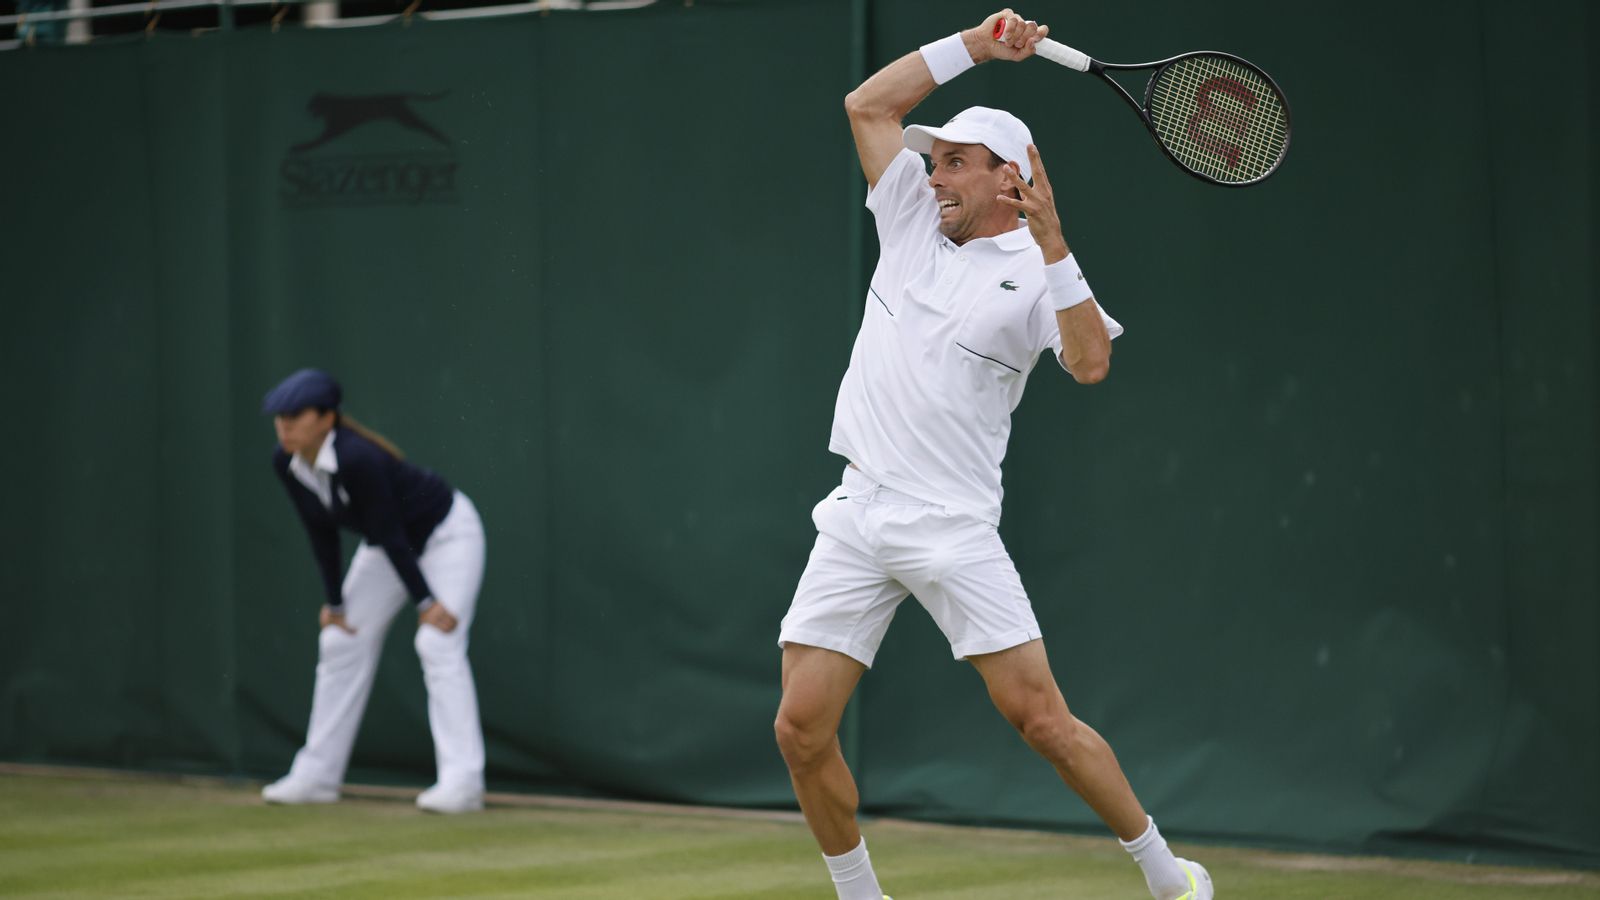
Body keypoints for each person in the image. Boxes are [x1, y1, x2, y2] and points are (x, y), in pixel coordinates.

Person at [773, 10, 1213, 900]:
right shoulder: (909, 218)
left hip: (952, 527)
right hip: (858, 512)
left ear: (1009, 176)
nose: (932, 175)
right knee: (800, 729)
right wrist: (976, 46)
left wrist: (1055, 246)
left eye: (954, 162)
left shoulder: (1039, 274)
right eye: (932, 161)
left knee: (1041, 722)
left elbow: (1090, 363)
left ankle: (1169, 877)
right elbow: (866, 106)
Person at [259, 368, 488, 815]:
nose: (284, 426)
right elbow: (320, 531)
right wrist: (335, 604)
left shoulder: (358, 458)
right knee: (338, 639)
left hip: (447, 536)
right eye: (279, 418)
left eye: (295, 416)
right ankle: (317, 776)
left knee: (437, 641)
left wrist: (427, 603)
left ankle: (463, 783)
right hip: (389, 548)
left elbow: (390, 532)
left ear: (327, 419)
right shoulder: (284, 462)